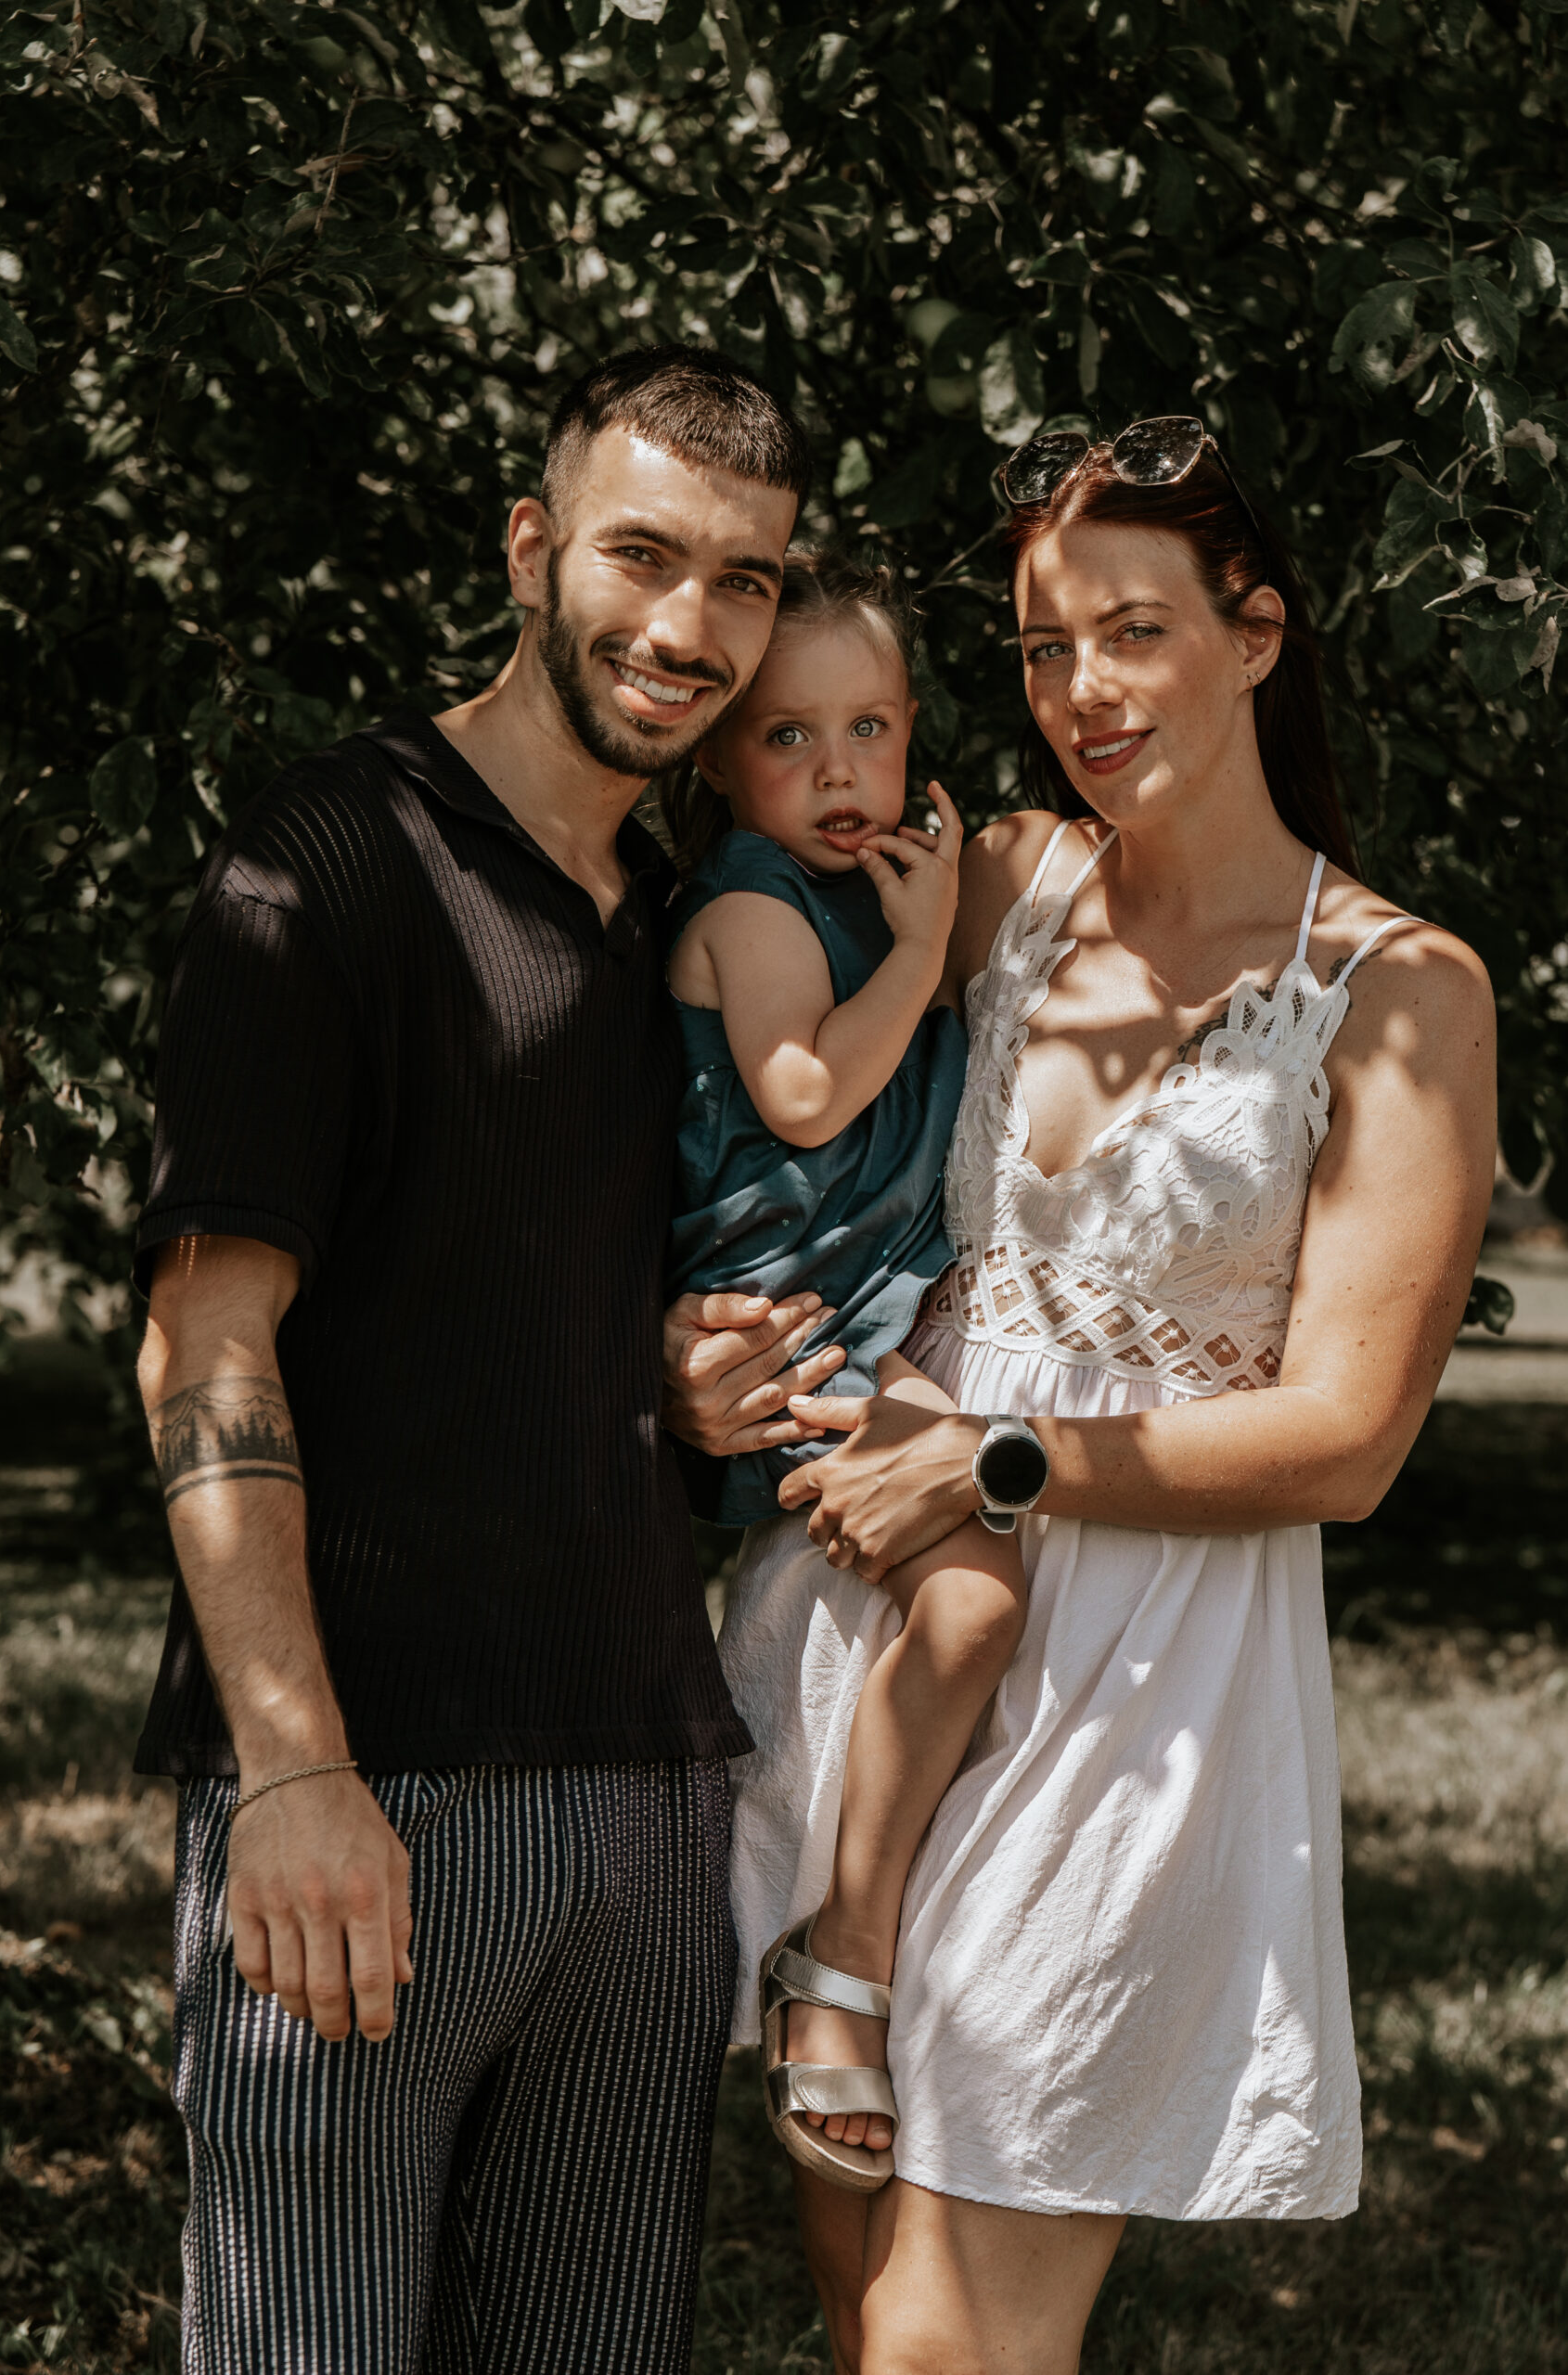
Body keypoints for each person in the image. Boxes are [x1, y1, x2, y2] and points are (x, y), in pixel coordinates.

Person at [664, 417, 1496, 2375]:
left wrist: (999, 1457)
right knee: (861, 2303)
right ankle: (845, 1946)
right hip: (872, 1613)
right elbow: (758, 1107)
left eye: (1133, 632)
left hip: (1139, 1676)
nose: (1080, 693)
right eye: (1044, 648)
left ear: (1256, 634)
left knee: (946, 2345)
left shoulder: (1400, 990)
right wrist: (691, 1346)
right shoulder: (1000, 881)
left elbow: (1351, 1438)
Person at [133, 344, 813, 2375]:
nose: (689, 626)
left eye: (746, 580)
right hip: (377, 1784)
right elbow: (203, 1339)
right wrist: (292, 1769)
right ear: (531, 550)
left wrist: (667, 1376)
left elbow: (526, 1275)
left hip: (653, 1795)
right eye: (642, 555)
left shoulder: (686, 923)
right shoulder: (333, 858)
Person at [662, 550, 1027, 2192]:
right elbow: (805, 1094)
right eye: (788, 737)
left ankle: (853, 1914)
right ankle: (837, 1953)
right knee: (972, 1608)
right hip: (792, 1339)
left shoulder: (864, 898)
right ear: (721, 764)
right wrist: (931, 947)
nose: (838, 772)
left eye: (869, 728)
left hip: (871, 1323)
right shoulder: (754, 906)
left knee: (970, 1613)